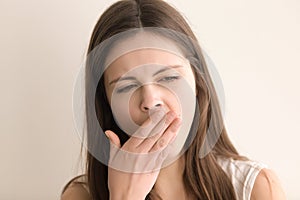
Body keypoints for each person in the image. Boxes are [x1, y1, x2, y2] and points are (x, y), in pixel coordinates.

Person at [61, 0, 286, 199]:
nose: (151, 101)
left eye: (169, 77)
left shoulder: (256, 188)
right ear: (106, 103)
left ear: (198, 84)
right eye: (127, 86)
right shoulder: (80, 195)